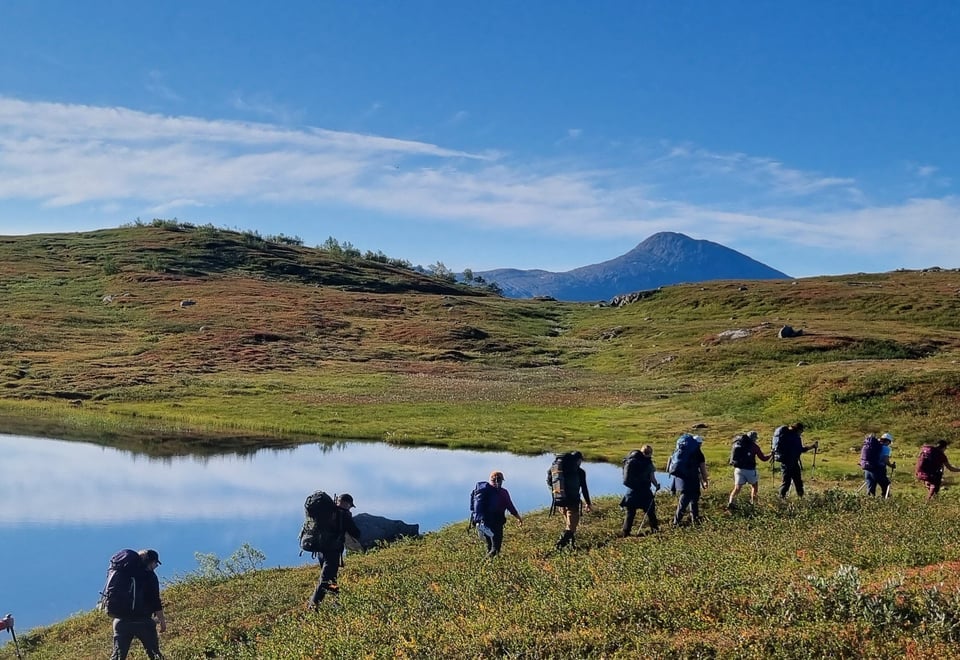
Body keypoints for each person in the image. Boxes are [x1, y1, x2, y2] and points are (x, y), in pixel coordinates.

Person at [110, 549, 166, 660]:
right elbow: (155, 601)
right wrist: (162, 621)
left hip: (120, 621)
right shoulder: (150, 576)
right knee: (155, 654)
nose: (156, 566)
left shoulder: (123, 573)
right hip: (143, 621)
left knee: (118, 656)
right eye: (155, 563)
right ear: (150, 562)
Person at [308, 493, 362, 608]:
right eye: (350, 505)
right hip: (332, 551)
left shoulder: (328, 512)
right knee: (325, 579)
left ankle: (336, 603)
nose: (350, 508)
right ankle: (312, 607)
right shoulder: (343, 515)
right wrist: (349, 518)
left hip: (321, 551)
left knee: (332, 578)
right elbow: (356, 533)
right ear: (347, 503)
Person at [546, 451, 592, 550]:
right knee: (571, 527)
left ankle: (572, 546)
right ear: (578, 460)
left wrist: (557, 494)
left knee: (569, 524)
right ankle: (558, 546)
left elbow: (550, 482)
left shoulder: (558, 469)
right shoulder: (579, 471)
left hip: (560, 501)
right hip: (573, 502)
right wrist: (588, 503)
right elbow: (584, 488)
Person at [477, 471, 523, 557]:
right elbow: (510, 507)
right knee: (495, 549)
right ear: (501, 480)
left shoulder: (484, 491)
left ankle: (490, 563)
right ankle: (483, 563)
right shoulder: (503, 492)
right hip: (496, 522)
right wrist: (518, 518)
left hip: (483, 522)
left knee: (490, 546)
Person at [620, 445, 661, 536]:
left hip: (631, 491)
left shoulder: (630, 460)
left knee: (630, 512)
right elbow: (652, 478)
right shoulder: (648, 463)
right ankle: (655, 530)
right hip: (644, 490)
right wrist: (656, 485)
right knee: (650, 511)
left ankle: (625, 532)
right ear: (650, 453)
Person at [727, 430, 772, 508]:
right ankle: (753, 503)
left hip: (738, 469)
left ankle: (731, 501)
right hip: (749, 470)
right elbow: (763, 458)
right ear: (754, 438)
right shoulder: (754, 446)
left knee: (737, 488)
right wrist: (771, 454)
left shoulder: (738, 443)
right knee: (754, 486)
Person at [773, 422, 818, 498]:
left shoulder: (787, 436)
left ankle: (782, 498)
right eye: (801, 431)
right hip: (792, 462)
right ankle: (799, 497)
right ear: (798, 430)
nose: (801, 433)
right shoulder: (795, 437)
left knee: (787, 482)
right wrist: (812, 446)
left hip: (786, 462)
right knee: (797, 482)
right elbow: (801, 449)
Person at [672, 435, 708, 526]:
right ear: (699, 444)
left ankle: (687, 521)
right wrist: (705, 481)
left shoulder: (680, 450)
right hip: (692, 480)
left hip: (680, 480)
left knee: (685, 501)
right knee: (691, 501)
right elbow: (703, 470)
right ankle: (678, 522)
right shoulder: (698, 453)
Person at [879, 432, 896, 497]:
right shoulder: (886, 448)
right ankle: (885, 498)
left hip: (870, 468)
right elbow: (885, 460)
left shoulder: (876, 446)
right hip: (880, 468)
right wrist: (891, 465)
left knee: (871, 486)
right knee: (885, 484)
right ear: (888, 441)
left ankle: (869, 499)